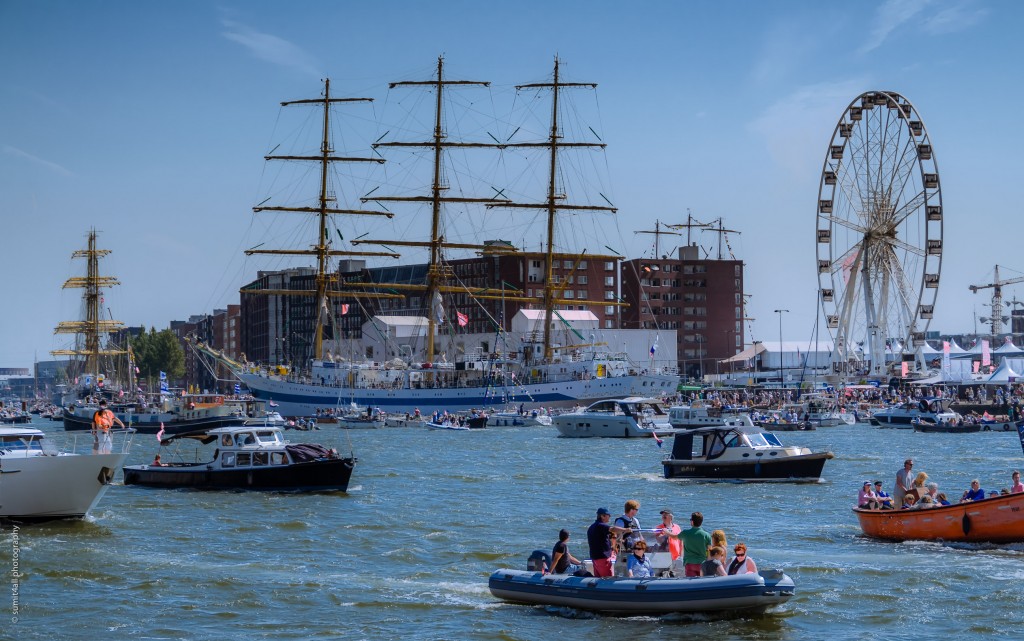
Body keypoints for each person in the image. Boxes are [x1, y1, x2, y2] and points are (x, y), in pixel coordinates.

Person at [587, 507, 633, 578]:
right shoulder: (601, 525)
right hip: (602, 558)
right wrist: (626, 529)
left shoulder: (591, 527)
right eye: (608, 515)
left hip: (594, 557)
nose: (610, 517)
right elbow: (613, 529)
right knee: (608, 579)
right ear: (602, 516)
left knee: (598, 578)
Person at [678, 511, 713, 577]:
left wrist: (667, 532)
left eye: (691, 519)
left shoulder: (685, 533)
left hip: (689, 563)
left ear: (692, 522)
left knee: (691, 584)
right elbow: (710, 551)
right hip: (702, 563)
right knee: (702, 583)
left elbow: (675, 537)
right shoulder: (707, 535)